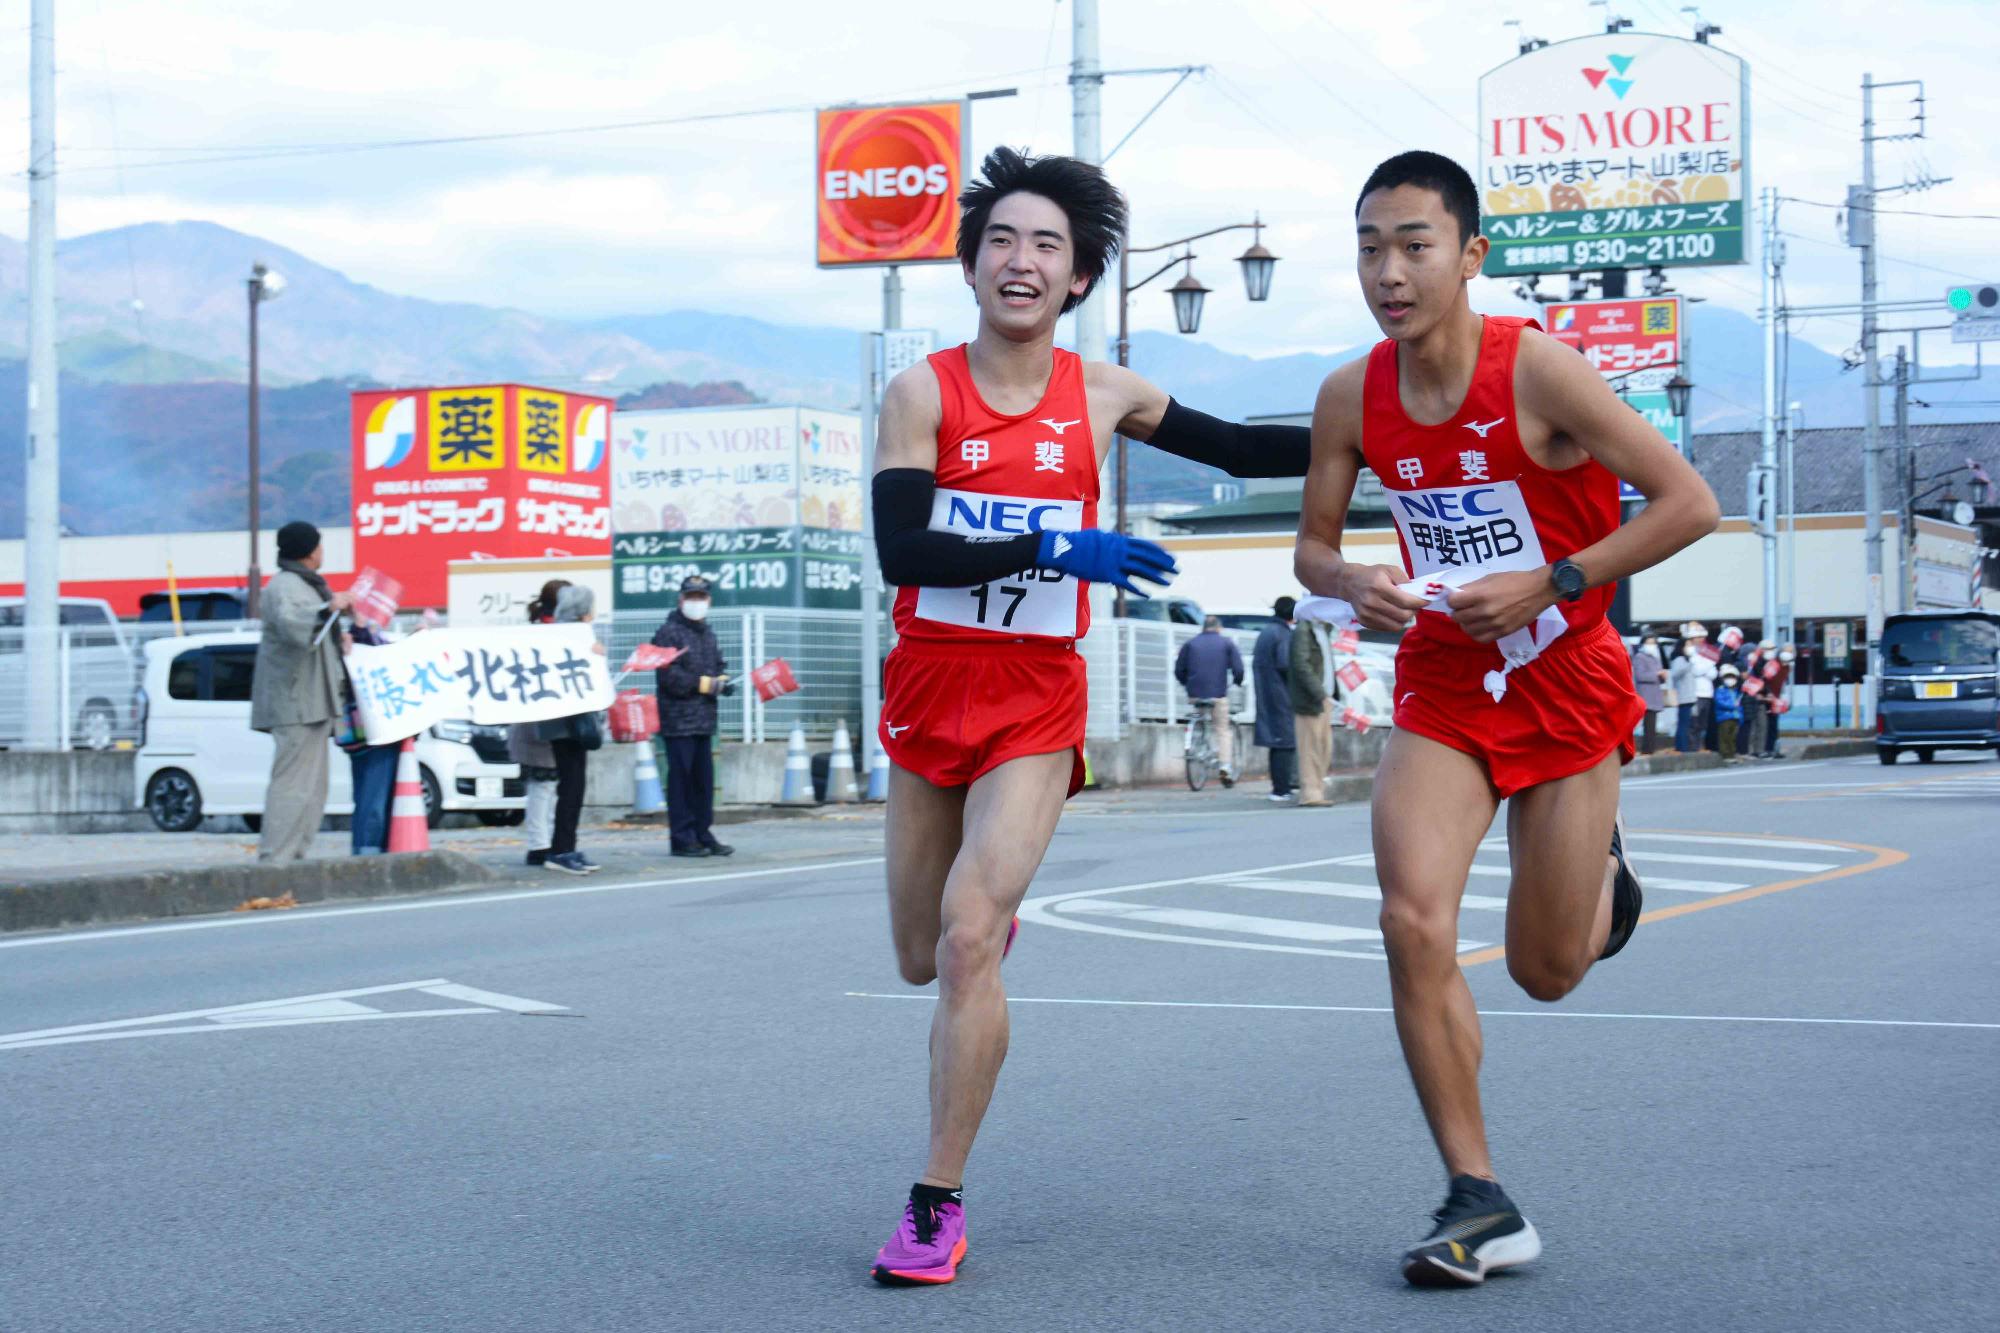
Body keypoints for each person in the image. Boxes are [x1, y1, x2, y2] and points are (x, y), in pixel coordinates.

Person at [865, 146, 1313, 1286]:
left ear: (1077, 282)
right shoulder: (923, 392)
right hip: (929, 684)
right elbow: (902, 550)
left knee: (968, 939)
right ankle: (980, 922)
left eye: (1047, 247)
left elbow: (1244, 448)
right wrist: (1056, 542)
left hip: (1031, 694)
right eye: (1001, 241)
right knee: (920, 955)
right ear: (970, 266)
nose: (1021, 261)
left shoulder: (1102, 392)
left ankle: (934, 1201)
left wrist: (1402, 425)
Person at [1292, 150, 1718, 1287]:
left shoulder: (1539, 371)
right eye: (1369, 246)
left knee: (1543, 969)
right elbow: (1312, 546)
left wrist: (1554, 581)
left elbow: (1690, 503)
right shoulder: (1349, 395)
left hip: (1567, 676)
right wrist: (1349, 585)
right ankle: (1474, 1195)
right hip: (1442, 676)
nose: (1388, 270)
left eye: (1414, 245)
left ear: (1469, 254)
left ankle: (1601, 885)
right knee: (1408, 918)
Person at [249, 520, 352, 862]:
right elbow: (297, 627)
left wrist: (339, 633)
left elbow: (313, 633)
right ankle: (276, 857)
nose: (322, 552)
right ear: (310, 551)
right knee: (293, 783)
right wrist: (329, 609)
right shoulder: (287, 586)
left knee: (312, 787)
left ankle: (294, 854)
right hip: (295, 700)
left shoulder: (302, 584)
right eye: (319, 546)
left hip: (310, 700)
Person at [651, 575, 732, 859]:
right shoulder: (668, 632)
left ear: (708, 601)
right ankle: (682, 837)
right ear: (681, 600)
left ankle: (702, 832)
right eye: (691, 597)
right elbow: (668, 675)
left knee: (703, 782)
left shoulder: (707, 633)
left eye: (701, 597)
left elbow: (719, 664)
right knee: (682, 781)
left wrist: (723, 679)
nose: (696, 603)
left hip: (704, 719)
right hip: (678, 720)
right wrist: (704, 684)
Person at [538, 584, 604, 875]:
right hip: (565, 723)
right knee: (571, 787)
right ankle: (560, 850)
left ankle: (566, 846)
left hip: (568, 722)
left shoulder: (568, 635)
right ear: (582, 612)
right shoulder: (565, 638)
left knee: (574, 788)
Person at [511, 579, 571, 866]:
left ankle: (544, 842)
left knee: (549, 786)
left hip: (553, 719)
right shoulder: (541, 634)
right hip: (536, 720)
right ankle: (538, 844)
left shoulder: (560, 631)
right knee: (542, 786)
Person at [340, 619, 400, 855]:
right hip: (378, 730)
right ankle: (369, 849)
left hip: (357, 732)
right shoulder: (366, 648)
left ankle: (364, 847)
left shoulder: (348, 647)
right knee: (375, 797)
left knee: (366, 795)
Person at [1174, 615, 1246, 785]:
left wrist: (1187, 684)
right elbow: (1239, 669)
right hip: (1218, 694)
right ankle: (1225, 767)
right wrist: (1237, 682)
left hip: (1195, 694)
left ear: (1203, 627)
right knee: (1222, 730)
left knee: (1201, 721)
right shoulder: (1226, 643)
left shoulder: (1190, 644)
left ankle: (1197, 744)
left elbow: (1178, 670)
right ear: (1218, 628)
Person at [1252, 597, 1298, 802]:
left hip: (1267, 692)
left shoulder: (1268, 630)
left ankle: (1281, 787)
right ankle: (1281, 789)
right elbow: (1285, 663)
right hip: (1280, 693)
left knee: (1277, 741)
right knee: (1284, 741)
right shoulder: (1282, 633)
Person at [1288, 612, 1332, 806]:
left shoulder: (1322, 629)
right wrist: (1318, 692)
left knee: (1323, 748)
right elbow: (1300, 664)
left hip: (1324, 698)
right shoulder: (1304, 630)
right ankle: (1310, 794)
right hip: (1311, 699)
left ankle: (1318, 791)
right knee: (1309, 748)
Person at [1630, 628, 1667, 755]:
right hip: (1645, 695)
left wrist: (1662, 676)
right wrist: (1657, 674)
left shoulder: (1655, 657)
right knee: (1648, 725)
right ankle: (1647, 749)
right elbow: (1640, 676)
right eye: (1649, 642)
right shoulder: (1640, 657)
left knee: (1652, 725)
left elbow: (1659, 678)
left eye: (1653, 643)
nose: (1652, 645)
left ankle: (1651, 748)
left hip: (1654, 695)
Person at [1761, 644, 1795, 757]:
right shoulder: (1774, 664)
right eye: (1787, 651)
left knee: (1774, 724)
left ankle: (1774, 749)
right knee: (1769, 724)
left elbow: (1782, 683)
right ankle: (1768, 749)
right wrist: (1769, 693)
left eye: (1791, 652)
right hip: (1769, 698)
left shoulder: (1788, 666)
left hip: (1777, 698)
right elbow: (1765, 680)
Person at [1715, 664, 1744, 760]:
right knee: (1724, 737)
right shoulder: (1720, 690)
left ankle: (1732, 754)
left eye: (1732, 677)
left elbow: (1740, 705)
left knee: (1733, 737)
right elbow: (1720, 702)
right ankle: (1725, 754)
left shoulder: (1736, 691)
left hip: (1735, 717)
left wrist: (1740, 715)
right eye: (1727, 677)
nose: (1730, 679)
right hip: (1724, 717)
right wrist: (1732, 706)